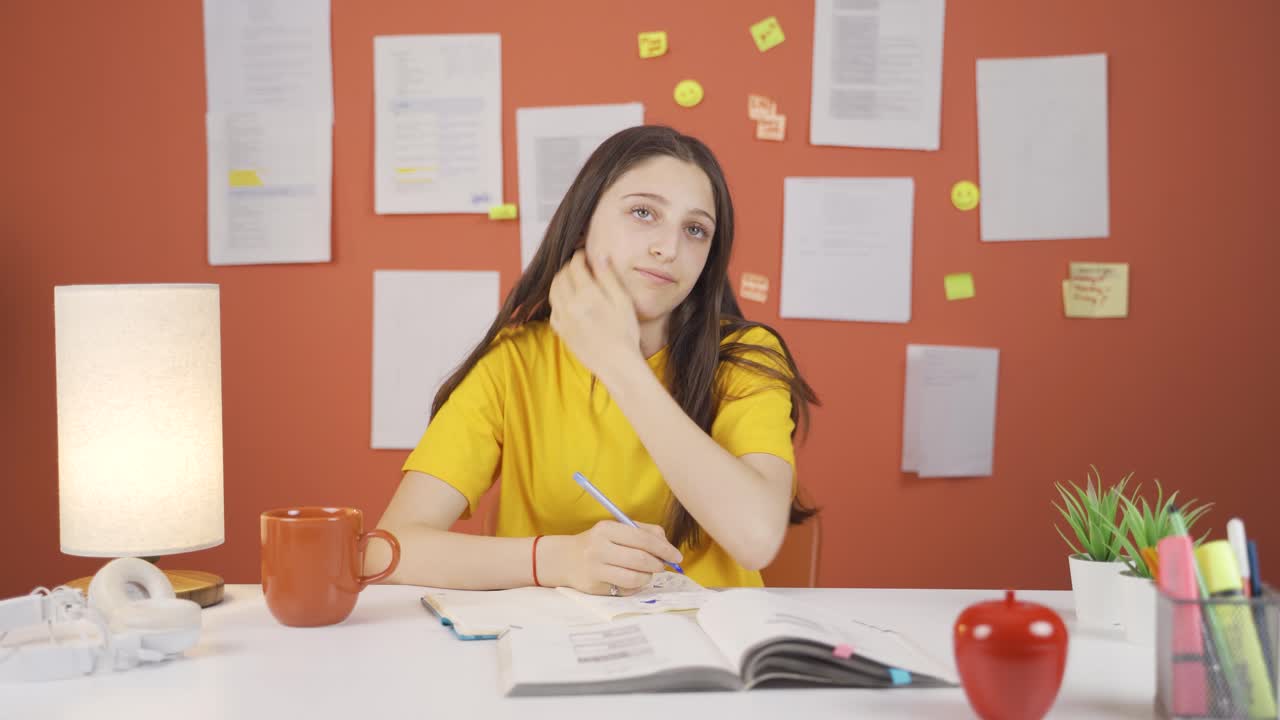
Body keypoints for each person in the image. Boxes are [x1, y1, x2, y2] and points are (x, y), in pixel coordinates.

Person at [367, 125, 817, 595]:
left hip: (709, 647)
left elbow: (756, 539)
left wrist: (618, 362)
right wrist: (555, 560)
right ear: (583, 222)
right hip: (552, 641)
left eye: (695, 230)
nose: (669, 248)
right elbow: (386, 550)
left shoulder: (745, 357)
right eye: (643, 213)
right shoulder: (514, 362)